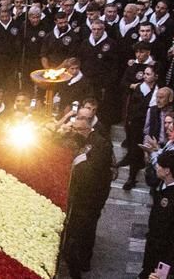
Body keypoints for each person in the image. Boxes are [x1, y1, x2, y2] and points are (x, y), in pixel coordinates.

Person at [62, 109, 114, 279]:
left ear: (85, 124)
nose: (74, 128)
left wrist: (79, 160)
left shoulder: (101, 144)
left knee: (85, 228)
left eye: (77, 122)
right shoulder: (78, 137)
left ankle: (83, 261)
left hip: (91, 196)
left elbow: (92, 172)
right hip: (77, 194)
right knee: (75, 226)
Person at [138, 151, 174, 279]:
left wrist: (163, 271)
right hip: (153, 256)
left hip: (163, 263)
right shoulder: (165, 188)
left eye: (159, 165)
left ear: (167, 171)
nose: (156, 167)